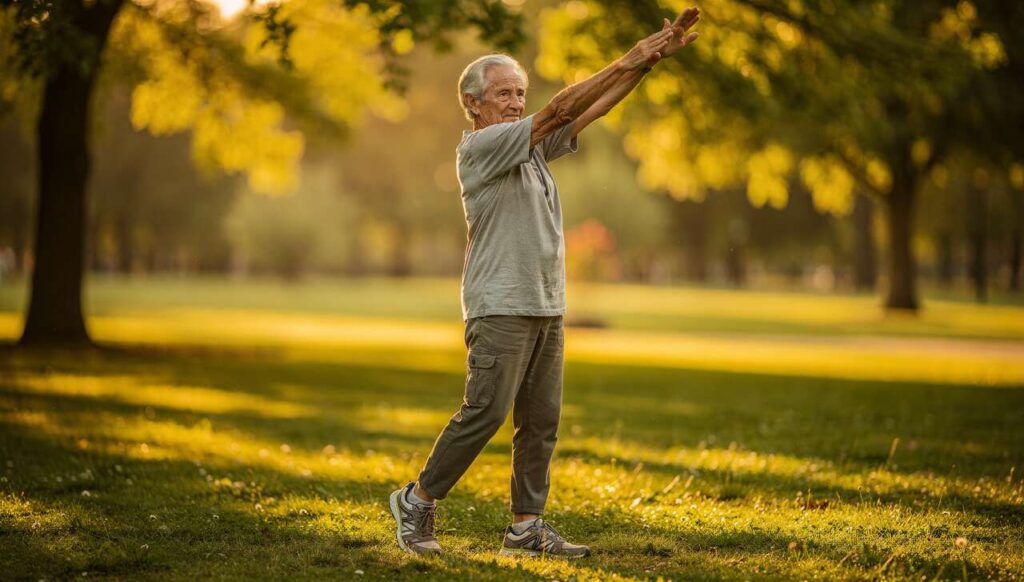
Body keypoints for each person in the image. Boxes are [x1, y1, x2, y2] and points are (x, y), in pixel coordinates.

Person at [389, 7, 701, 558]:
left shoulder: (530, 148)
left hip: (545, 304)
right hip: (500, 304)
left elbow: (587, 112)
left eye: (519, 92)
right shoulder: (482, 149)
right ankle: (416, 500)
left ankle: (525, 529)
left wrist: (646, 64)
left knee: (540, 422)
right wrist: (627, 55)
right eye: (504, 93)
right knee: (485, 411)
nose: (515, 101)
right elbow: (561, 107)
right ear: (474, 105)